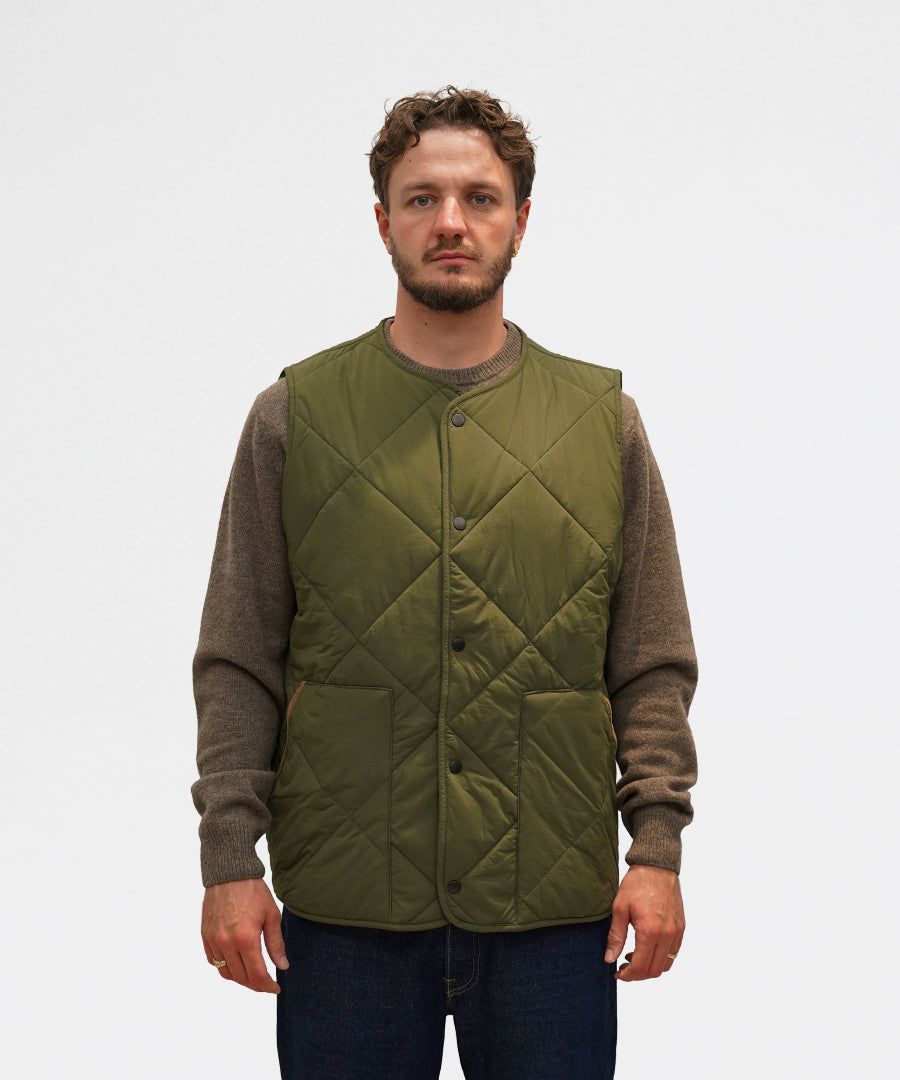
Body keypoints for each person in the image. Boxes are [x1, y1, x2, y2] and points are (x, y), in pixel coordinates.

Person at [192, 85, 698, 1080]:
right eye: (422, 199)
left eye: (480, 197)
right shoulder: (293, 416)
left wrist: (657, 847)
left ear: (521, 221)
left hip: (554, 913)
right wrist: (228, 860)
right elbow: (239, 657)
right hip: (345, 916)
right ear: (383, 222)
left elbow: (649, 659)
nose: (451, 222)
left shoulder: (603, 422)